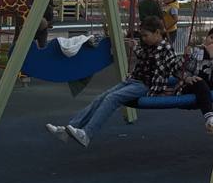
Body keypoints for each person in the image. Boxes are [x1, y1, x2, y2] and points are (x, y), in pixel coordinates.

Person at [45, 18, 182, 148]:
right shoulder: (150, 45)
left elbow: (174, 66)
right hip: (133, 80)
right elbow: (144, 56)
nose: (144, 39)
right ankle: (68, 130)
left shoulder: (166, 49)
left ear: (157, 32)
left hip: (145, 85)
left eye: (146, 35)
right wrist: (135, 47)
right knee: (101, 98)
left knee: (112, 98)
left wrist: (186, 73)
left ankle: (87, 134)